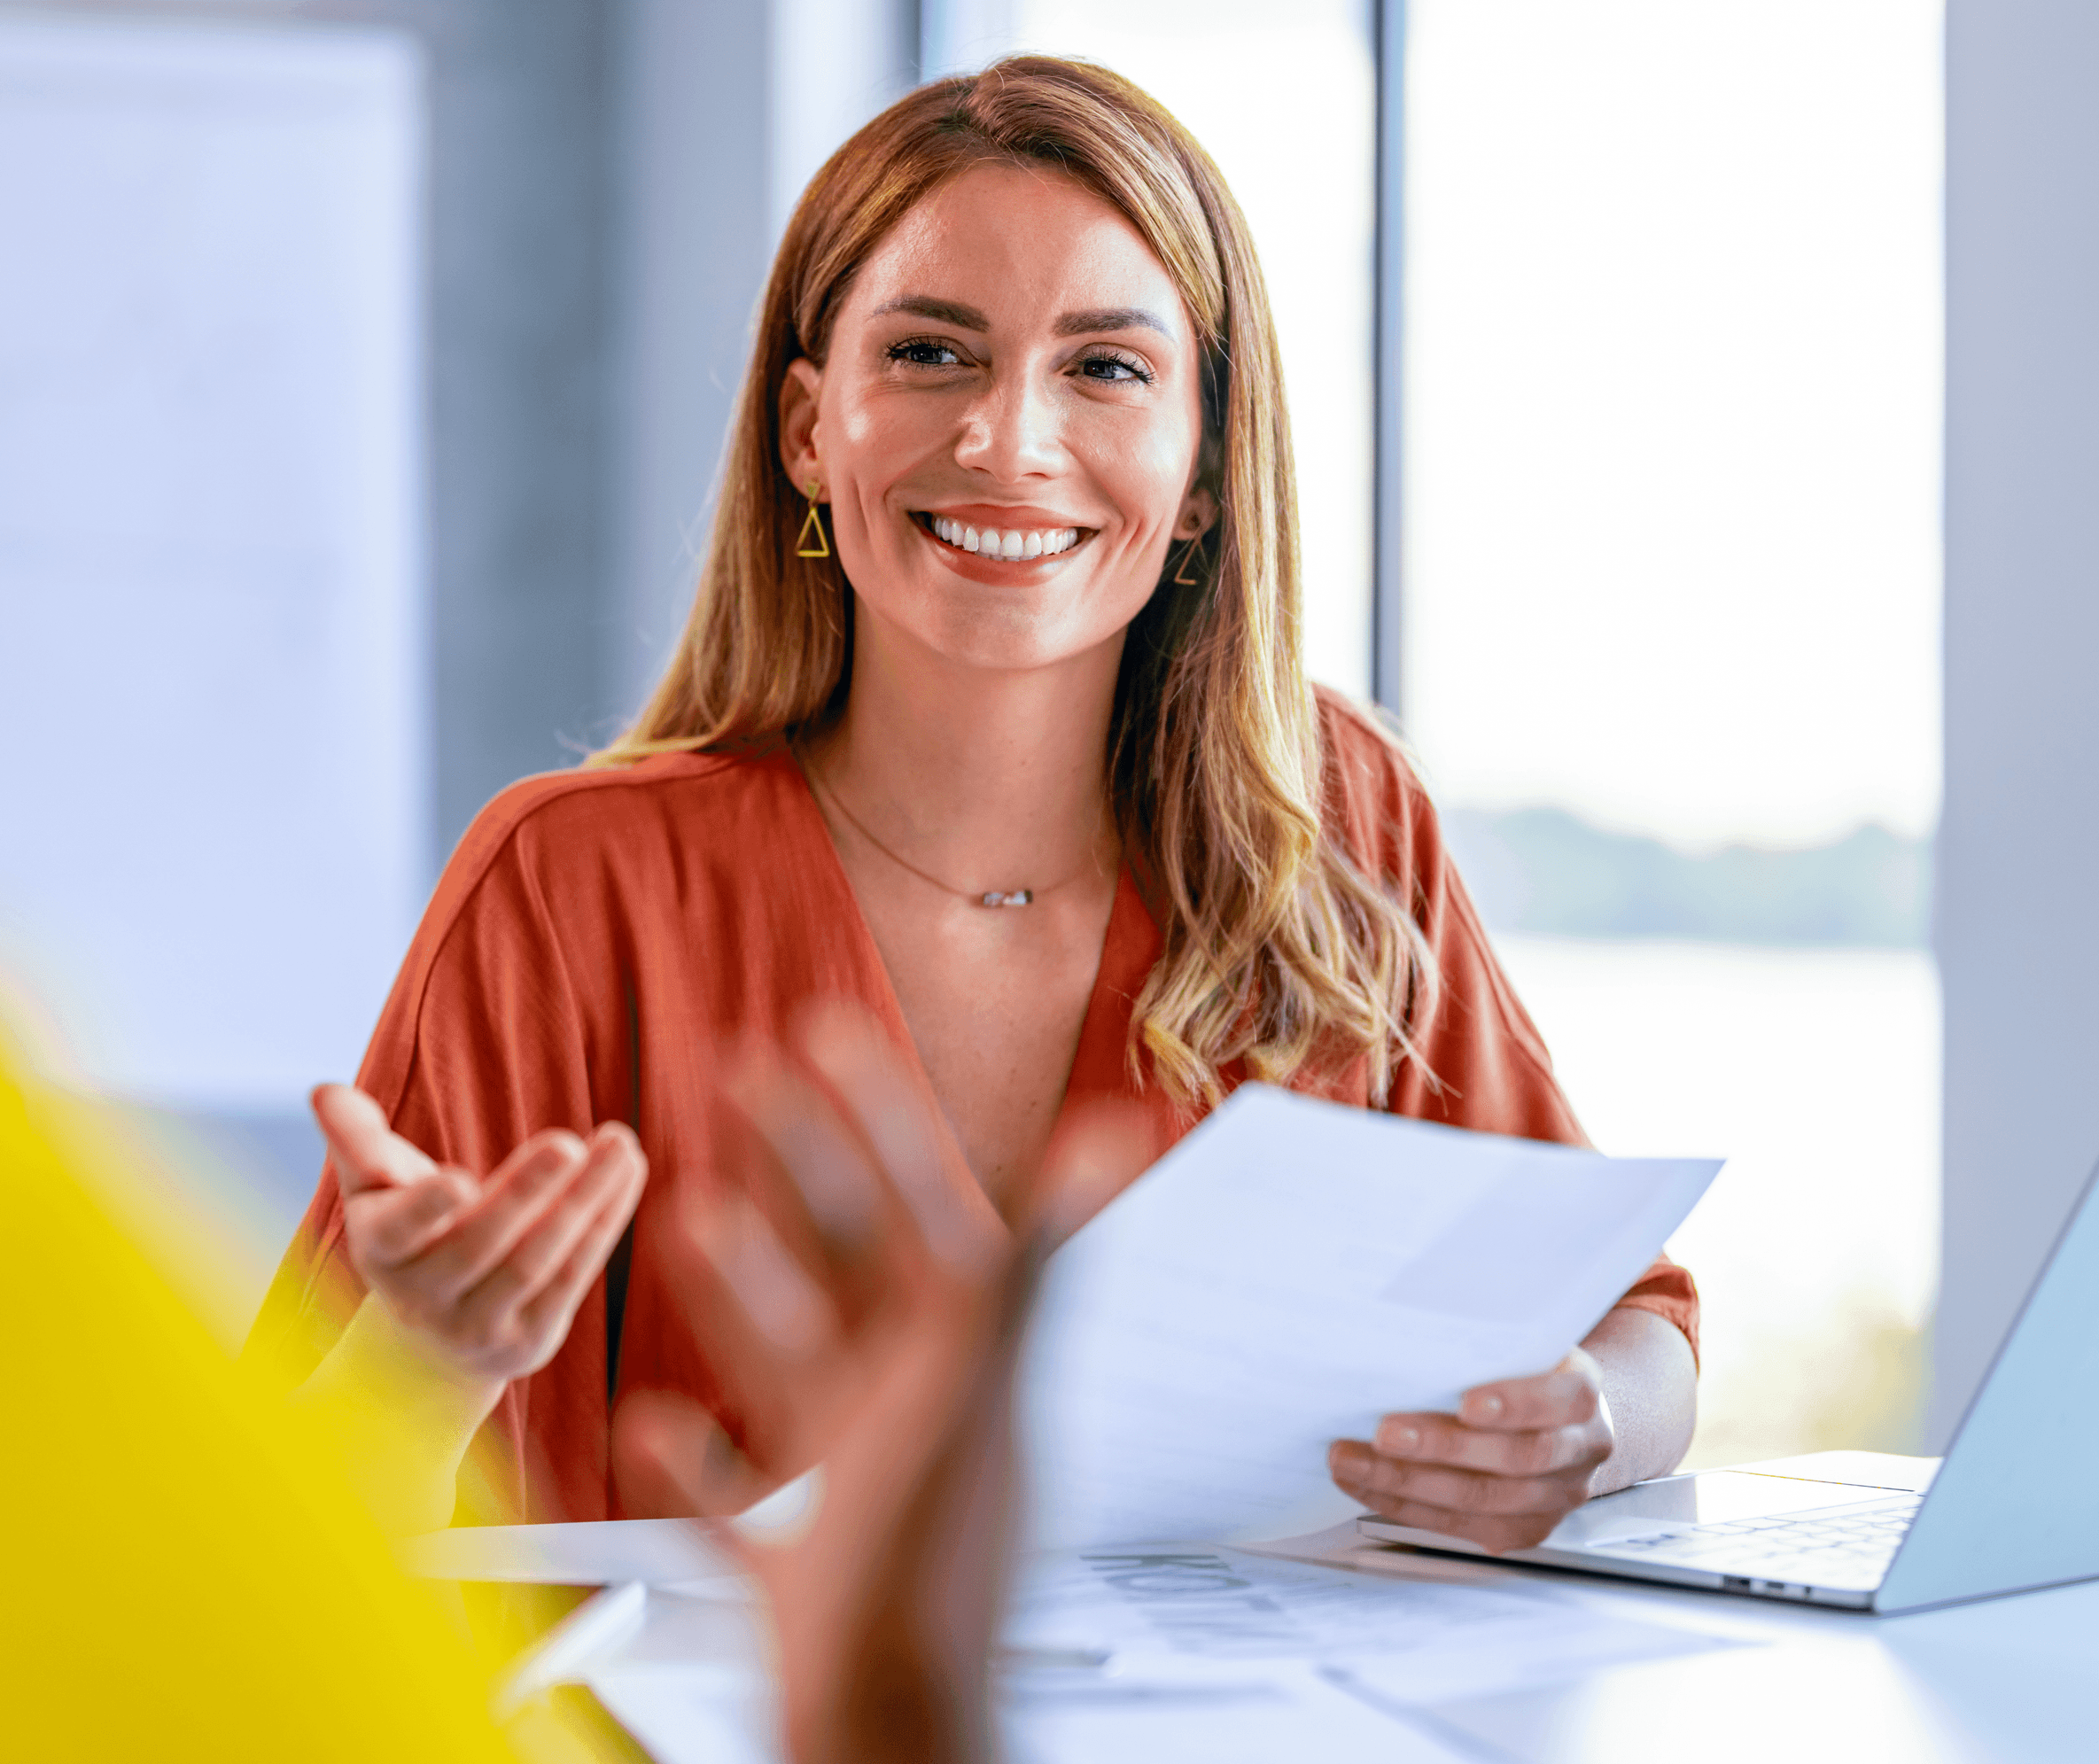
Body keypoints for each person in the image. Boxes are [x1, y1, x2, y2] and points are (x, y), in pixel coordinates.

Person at [249, 55, 1699, 1554]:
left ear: (1202, 467)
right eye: (934, 354)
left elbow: (1638, 1327)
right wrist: (428, 1364)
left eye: (1107, 367)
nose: (1009, 440)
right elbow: (267, 1562)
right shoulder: (569, 888)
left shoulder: (1332, 823)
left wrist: (1585, 1421)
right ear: (811, 431)